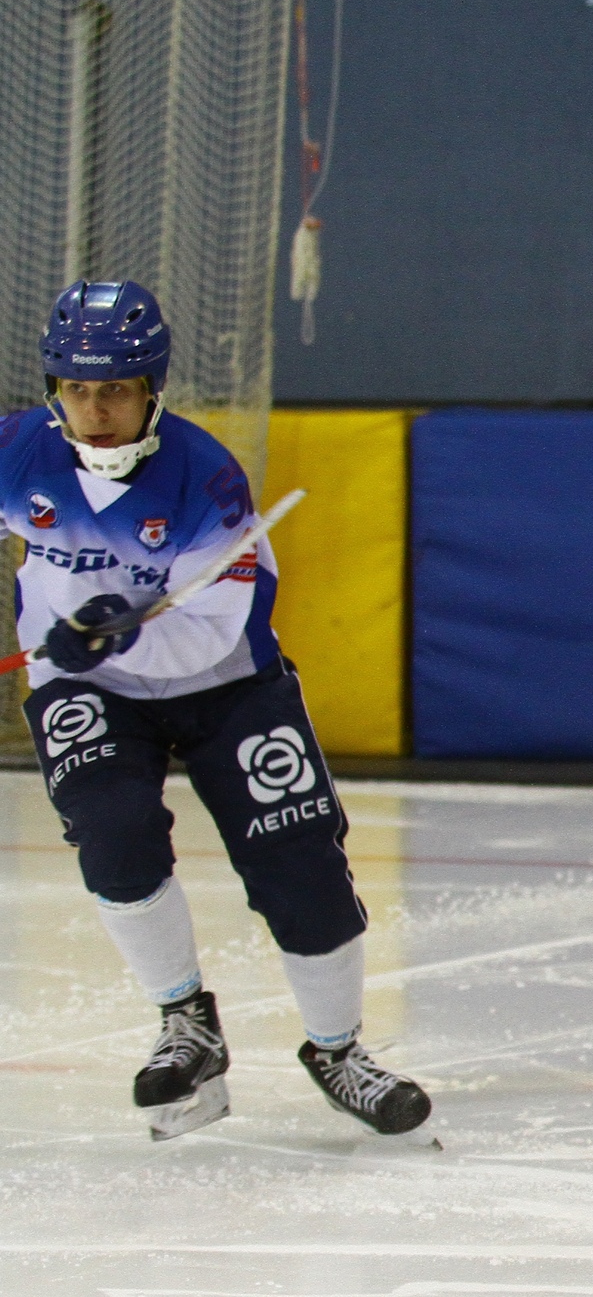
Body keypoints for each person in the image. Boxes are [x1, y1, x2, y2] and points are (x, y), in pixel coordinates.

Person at [1, 280, 428, 1140]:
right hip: (85, 686)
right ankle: (185, 1020)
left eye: (115, 389)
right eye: (78, 390)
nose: (96, 411)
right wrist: (86, 651)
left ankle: (338, 1050)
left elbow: (214, 632)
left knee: (297, 860)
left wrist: (114, 638)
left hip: (227, 681)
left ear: (151, 388)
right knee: (113, 834)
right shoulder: (17, 451)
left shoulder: (208, 479)